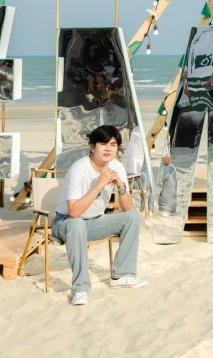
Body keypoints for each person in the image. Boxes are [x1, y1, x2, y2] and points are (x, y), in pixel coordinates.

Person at [51, 125, 147, 306]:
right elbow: (73, 212)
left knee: (133, 216)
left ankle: (121, 276)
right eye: (103, 144)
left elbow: (127, 208)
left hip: (93, 223)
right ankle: (80, 289)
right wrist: (99, 185)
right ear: (92, 147)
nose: (108, 149)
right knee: (77, 223)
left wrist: (120, 186)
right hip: (65, 223)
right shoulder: (79, 168)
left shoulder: (117, 166)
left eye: (113, 144)